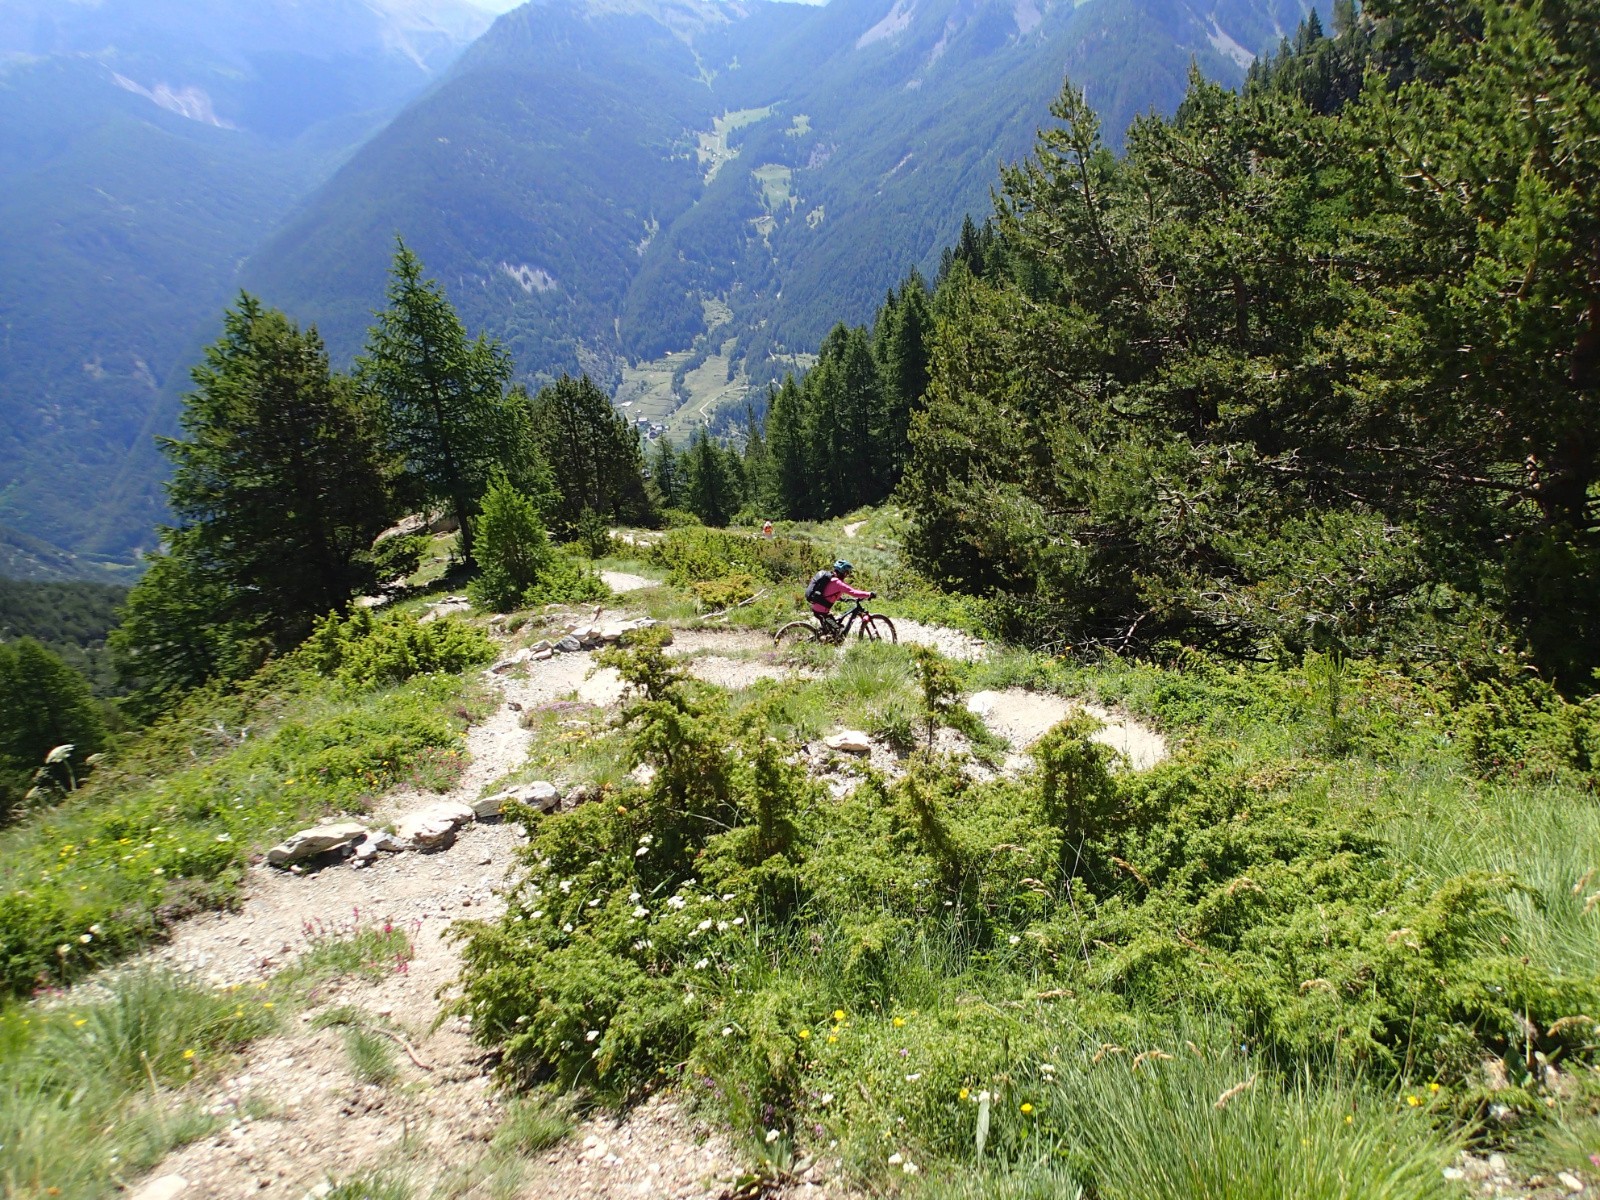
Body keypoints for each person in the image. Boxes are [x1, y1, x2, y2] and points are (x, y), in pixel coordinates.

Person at [807, 559, 873, 637]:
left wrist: (843, 599)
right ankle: (825, 643)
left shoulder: (831, 579)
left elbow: (827, 593)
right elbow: (854, 592)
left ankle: (826, 639)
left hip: (817, 608)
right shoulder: (838, 583)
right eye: (847, 572)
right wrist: (869, 594)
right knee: (838, 631)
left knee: (831, 630)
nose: (847, 574)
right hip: (821, 611)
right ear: (843, 572)